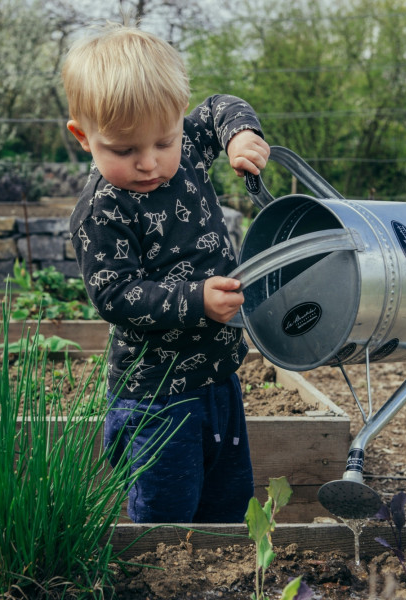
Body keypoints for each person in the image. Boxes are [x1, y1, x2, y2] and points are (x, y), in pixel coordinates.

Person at [62, 22, 270, 523]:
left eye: (163, 141)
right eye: (123, 150)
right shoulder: (103, 210)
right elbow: (115, 294)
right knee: (167, 517)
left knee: (227, 502)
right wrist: (196, 300)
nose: (149, 163)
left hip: (220, 378)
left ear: (178, 121)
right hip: (156, 397)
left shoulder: (190, 149)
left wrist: (241, 135)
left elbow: (221, 105)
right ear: (83, 137)